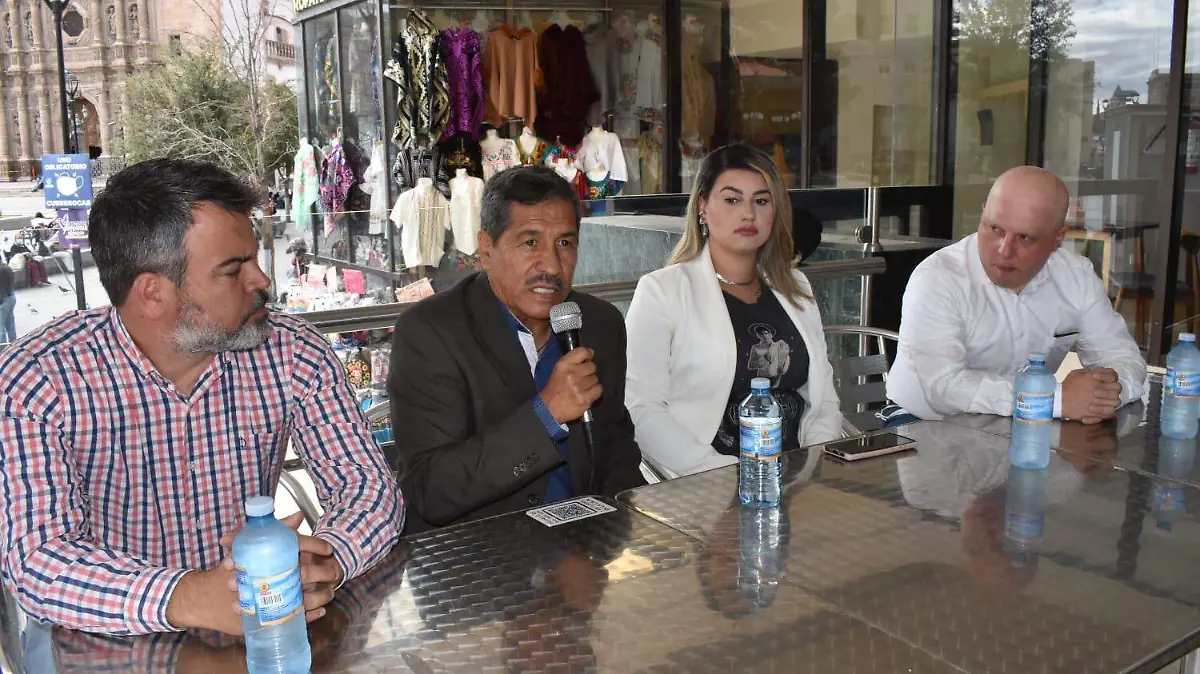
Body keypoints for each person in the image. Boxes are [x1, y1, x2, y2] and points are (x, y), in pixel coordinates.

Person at [0, 158, 402, 636]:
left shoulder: (293, 351)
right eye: (233, 270)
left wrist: (326, 559)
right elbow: (38, 559)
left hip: (264, 629)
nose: (262, 280)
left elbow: (368, 487)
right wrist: (188, 597)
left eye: (255, 258)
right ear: (152, 293)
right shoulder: (37, 380)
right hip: (102, 640)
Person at [387, 165, 646, 535]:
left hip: (584, 547)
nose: (552, 265)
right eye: (530, 243)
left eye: (565, 243)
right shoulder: (430, 333)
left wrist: (620, 539)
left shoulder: (599, 324)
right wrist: (546, 415)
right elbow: (431, 489)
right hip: (476, 554)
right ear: (487, 248)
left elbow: (617, 452)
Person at [624, 144, 844, 479]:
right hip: (702, 481)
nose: (748, 214)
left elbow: (822, 398)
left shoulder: (795, 285)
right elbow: (640, 410)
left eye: (761, 201)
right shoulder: (663, 291)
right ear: (702, 206)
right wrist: (724, 475)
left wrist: (814, 465)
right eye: (732, 200)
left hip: (796, 479)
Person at [886, 166, 1146, 424]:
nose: (1004, 251)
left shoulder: (1076, 276)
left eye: (1025, 238)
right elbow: (944, 389)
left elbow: (1122, 357)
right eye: (994, 229)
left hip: (1020, 426)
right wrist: (1052, 399)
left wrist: (1106, 392)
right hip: (922, 424)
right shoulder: (937, 278)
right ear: (983, 213)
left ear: (1059, 237)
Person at [0, 261, 14, 342]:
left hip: (2, 300)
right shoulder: (7, 267)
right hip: (11, 296)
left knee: (1, 327)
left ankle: (2, 346)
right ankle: (14, 343)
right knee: (10, 325)